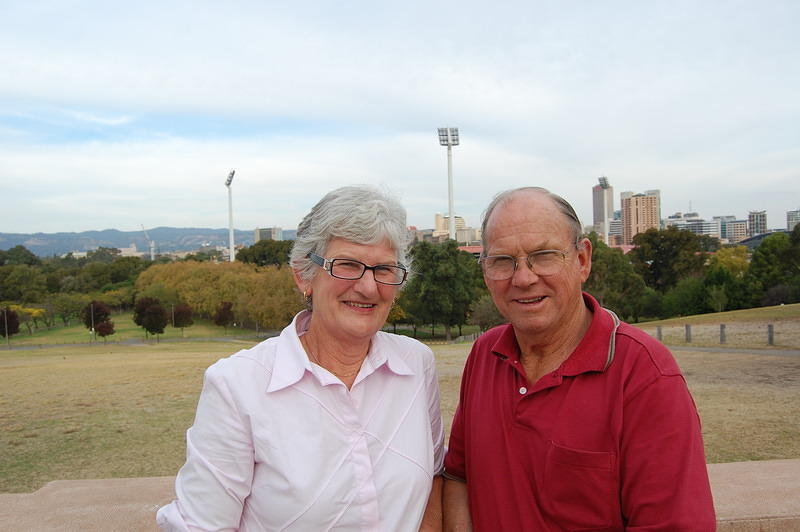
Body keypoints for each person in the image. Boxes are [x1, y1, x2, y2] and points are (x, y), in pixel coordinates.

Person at [158, 185, 444, 531]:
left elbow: (433, 476)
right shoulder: (238, 385)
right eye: (347, 265)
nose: (368, 287)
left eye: (384, 270)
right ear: (303, 275)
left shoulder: (416, 364)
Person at [443, 187, 715, 531]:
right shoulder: (485, 355)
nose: (523, 278)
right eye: (502, 261)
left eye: (543, 256)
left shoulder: (644, 373)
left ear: (582, 260)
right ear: (485, 270)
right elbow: (459, 476)